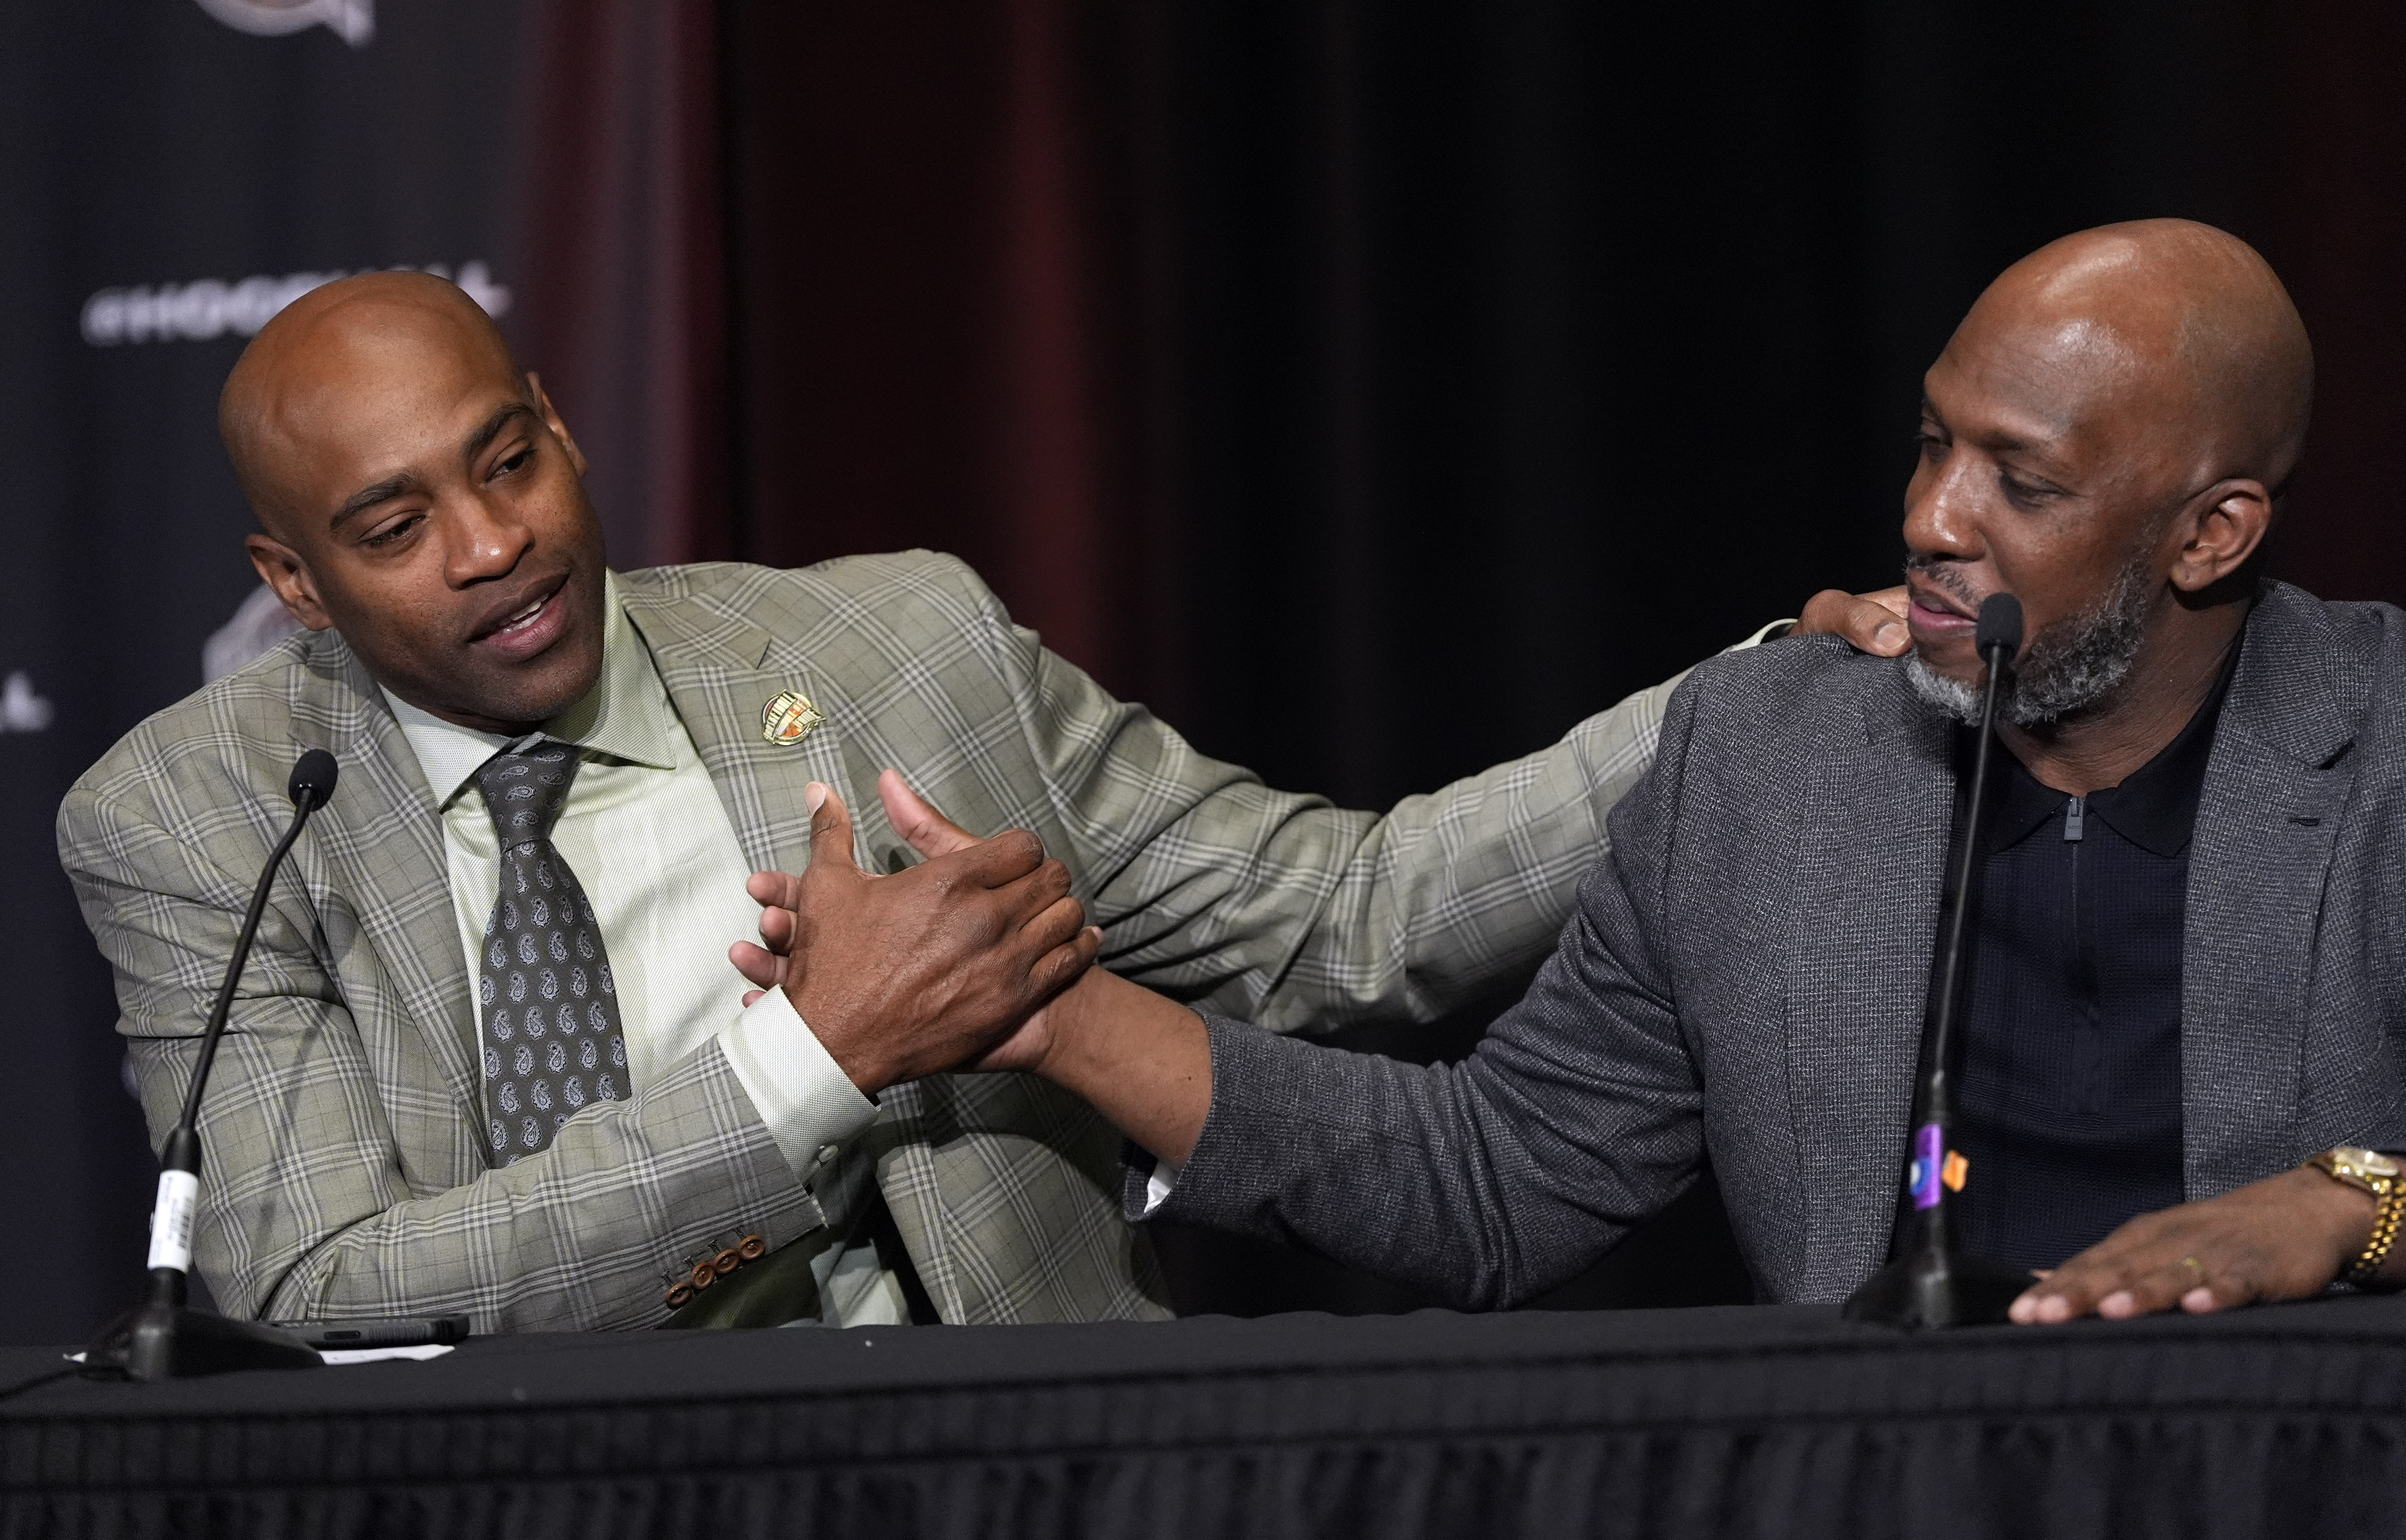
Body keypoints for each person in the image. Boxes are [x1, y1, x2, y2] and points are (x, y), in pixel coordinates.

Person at [58, 271, 1893, 1332]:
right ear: (290, 583)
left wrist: (1738, 709)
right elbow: (315, 1275)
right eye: (392, 527)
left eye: (510, 459)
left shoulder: (892, 647)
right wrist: (815, 1062)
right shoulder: (200, 812)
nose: (495, 545)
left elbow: (1355, 915)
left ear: (559, 419)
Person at [976, 219, 2406, 1321]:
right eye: (1928, 446)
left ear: (2210, 534)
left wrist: (2357, 1205)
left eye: (2020, 484)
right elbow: (1498, 1176)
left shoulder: (2384, 739)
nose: (1930, 520)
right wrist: (1056, 1020)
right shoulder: (1762, 760)